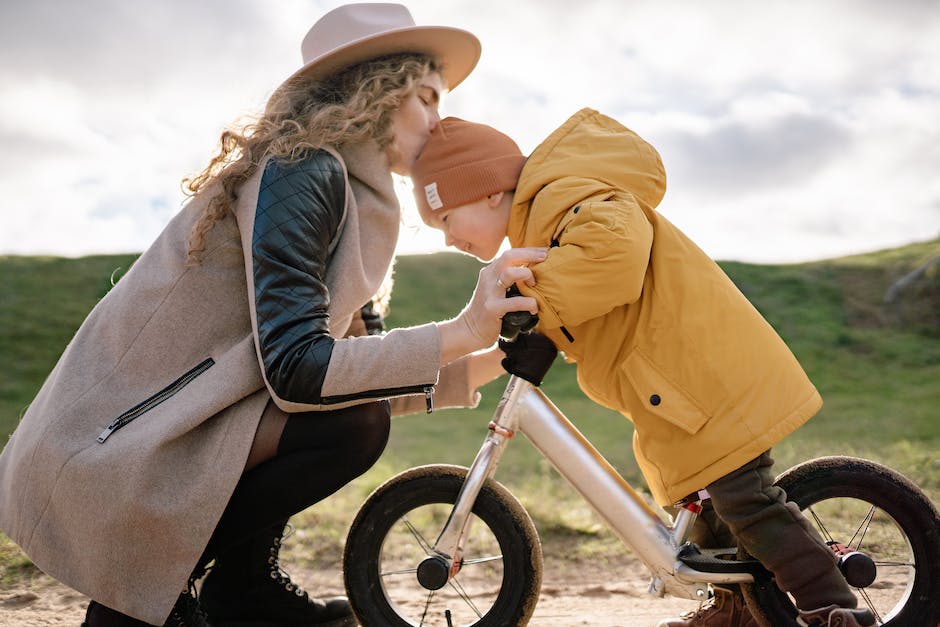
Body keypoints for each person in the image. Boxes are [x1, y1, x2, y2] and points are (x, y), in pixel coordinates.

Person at [0, 4, 547, 627]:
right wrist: (457, 331)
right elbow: (297, 372)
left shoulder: (354, 197)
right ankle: (139, 599)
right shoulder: (301, 172)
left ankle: (241, 592)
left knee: (352, 418)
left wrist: (478, 362)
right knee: (352, 427)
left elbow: (342, 373)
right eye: (426, 97)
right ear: (374, 89)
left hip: (179, 433)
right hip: (117, 450)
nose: (439, 118)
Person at [409, 110, 877, 627]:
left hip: (707, 378)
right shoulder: (548, 223)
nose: (447, 239)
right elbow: (585, 294)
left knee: (746, 502)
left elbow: (613, 259)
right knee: (704, 505)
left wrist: (532, 295)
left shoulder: (571, 198)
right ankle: (737, 609)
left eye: (446, 219)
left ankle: (830, 605)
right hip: (679, 395)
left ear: (491, 191)